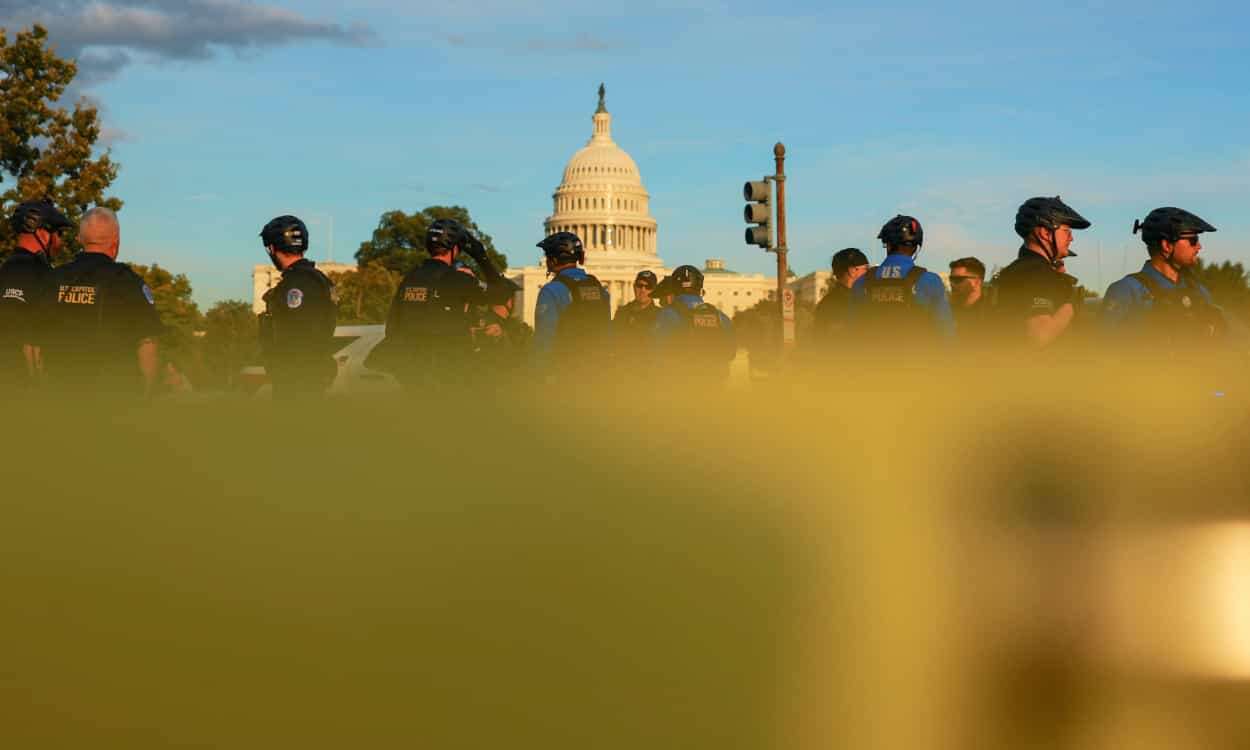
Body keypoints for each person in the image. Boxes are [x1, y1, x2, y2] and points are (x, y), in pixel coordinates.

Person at [371, 218, 513, 388]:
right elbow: (501, 295)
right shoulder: (457, 279)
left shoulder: (411, 278)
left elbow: (393, 324)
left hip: (411, 373)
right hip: (447, 372)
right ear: (455, 248)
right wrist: (481, 257)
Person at [41, 207, 163, 396]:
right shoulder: (129, 282)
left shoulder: (53, 279)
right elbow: (148, 344)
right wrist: (147, 396)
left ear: (80, 239)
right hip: (114, 402)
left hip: (60, 398)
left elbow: (34, 341)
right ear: (116, 241)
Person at [1100, 207, 1222, 349]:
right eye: (1193, 240)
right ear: (1167, 245)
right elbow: (1104, 348)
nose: (1199, 247)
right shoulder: (1127, 291)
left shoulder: (1199, 291)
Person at [989, 196, 1090, 349]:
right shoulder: (1037, 274)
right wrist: (1071, 303)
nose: (1071, 238)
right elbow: (1040, 334)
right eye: (1066, 231)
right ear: (1045, 233)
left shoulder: (1015, 271)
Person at [256, 215, 337, 398]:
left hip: (297, 380)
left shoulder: (296, 283)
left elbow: (298, 336)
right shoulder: (318, 279)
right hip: (309, 376)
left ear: (272, 248)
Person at [850, 215, 954, 341]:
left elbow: (852, 331)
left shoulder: (862, 282)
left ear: (887, 245)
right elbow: (946, 332)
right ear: (916, 247)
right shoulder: (929, 281)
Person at [0, 199, 70, 386]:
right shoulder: (29, 271)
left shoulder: (7, 267)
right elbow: (23, 334)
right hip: (21, 387)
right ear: (42, 233)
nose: (60, 241)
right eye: (59, 233)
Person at [531, 231, 611, 374]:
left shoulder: (551, 291)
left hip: (565, 373)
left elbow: (544, 341)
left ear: (553, 261)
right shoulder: (600, 290)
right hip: (598, 372)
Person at [653, 264, 736, 382]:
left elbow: (656, 351)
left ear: (675, 288)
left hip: (679, 384)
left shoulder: (668, 315)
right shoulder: (720, 316)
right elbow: (731, 353)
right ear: (700, 287)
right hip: (714, 385)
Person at [812, 247, 869, 346]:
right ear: (852, 271)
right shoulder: (855, 302)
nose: (869, 273)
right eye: (866, 269)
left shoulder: (826, 303)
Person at [613, 270, 660, 359]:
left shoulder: (660, 316)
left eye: (648, 287)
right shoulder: (622, 313)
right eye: (640, 285)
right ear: (634, 287)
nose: (643, 290)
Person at [948, 257, 991, 343]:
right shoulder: (947, 311)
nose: (952, 284)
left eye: (958, 280)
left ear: (977, 282)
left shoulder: (992, 313)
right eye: (951, 279)